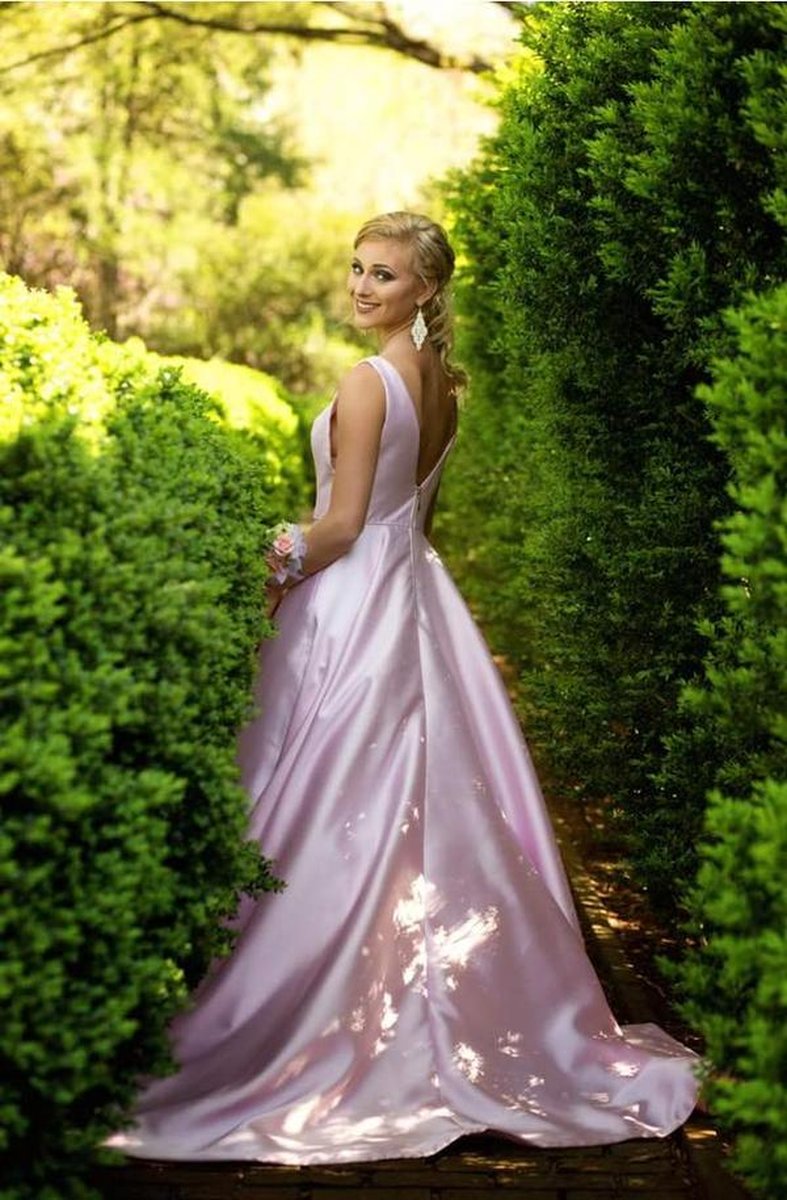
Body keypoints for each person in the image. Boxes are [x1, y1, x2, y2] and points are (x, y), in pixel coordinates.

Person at [107, 211, 699, 1165]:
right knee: (406, 810)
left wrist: (260, 562)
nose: (360, 287)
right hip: (417, 603)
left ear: (425, 289)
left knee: (324, 805)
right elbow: (406, 518)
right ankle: (417, 1002)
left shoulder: (367, 378)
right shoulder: (443, 387)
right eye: (354, 268)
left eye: (382, 275)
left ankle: (310, 1019)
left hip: (350, 608)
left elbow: (339, 527)